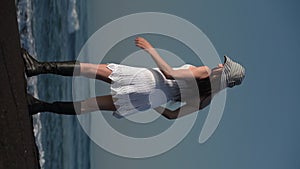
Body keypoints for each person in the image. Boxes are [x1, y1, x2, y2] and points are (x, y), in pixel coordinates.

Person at [23, 37, 245, 119]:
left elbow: (170, 74)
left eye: (223, 65)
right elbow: (172, 114)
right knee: (89, 105)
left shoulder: (205, 71)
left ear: (224, 71)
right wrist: (154, 103)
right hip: (147, 101)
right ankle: (39, 106)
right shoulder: (206, 100)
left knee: (90, 69)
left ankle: (37, 67)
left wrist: (150, 50)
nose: (219, 64)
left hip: (149, 79)